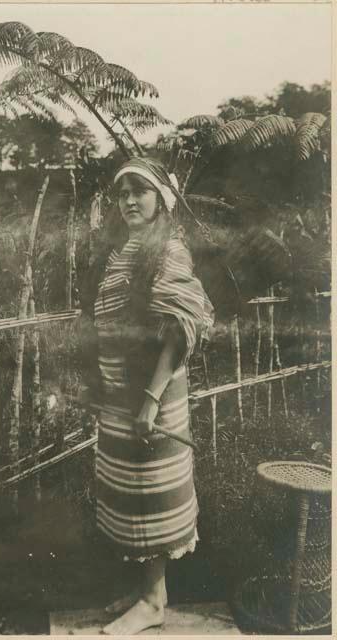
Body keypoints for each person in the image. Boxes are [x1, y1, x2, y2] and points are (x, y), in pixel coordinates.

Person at [78, 157, 214, 635]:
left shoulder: (169, 250)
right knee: (128, 492)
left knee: (152, 492)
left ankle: (155, 602)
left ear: (162, 200)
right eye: (124, 193)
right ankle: (144, 594)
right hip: (120, 388)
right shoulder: (122, 249)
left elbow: (181, 327)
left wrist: (152, 398)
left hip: (152, 391)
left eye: (141, 192)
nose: (131, 201)